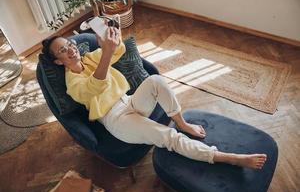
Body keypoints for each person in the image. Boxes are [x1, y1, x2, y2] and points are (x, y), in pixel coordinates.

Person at [42, 27, 267, 169]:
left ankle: (183, 123)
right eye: (63, 50)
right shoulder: (72, 83)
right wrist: (108, 53)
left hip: (129, 101)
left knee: (156, 81)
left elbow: (117, 51)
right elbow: (95, 85)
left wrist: (113, 38)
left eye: (69, 44)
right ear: (58, 61)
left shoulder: (91, 57)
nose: (70, 49)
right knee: (168, 137)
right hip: (115, 120)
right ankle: (227, 158)